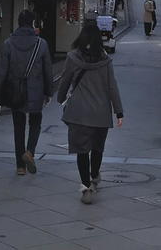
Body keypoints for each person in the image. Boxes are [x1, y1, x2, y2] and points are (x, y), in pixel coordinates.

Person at [56, 22, 123, 204]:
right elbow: (112, 87)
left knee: (82, 151)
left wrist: (60, 97)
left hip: (79, 113)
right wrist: (119, 111)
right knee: (97, 148)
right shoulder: (106, 60)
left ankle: (85, 188)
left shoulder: (72, 57)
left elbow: (65, 81)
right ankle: (94, 177)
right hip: (101, 112)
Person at [0, 9, 52, 175]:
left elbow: (1, 72)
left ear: (18, 23)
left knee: (18, 127)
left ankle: (20, 166)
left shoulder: (8, 44)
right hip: (36, 92)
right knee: (35, 123)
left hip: (15, 92)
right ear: (33, 23)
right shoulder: (41, 44)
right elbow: (47, 71)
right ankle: (30, 152)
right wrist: (48, 92)